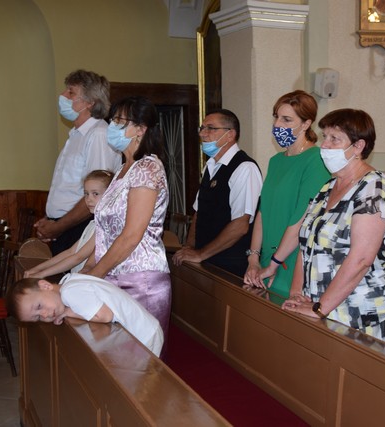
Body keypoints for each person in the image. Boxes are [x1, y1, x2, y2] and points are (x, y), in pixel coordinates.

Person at [282, 109, 385, 348]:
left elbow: (361, 259)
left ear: (358, 146)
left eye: (334, 139)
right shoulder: (327, 188)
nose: (324, 145)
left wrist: (320, 308)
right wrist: (296, 292)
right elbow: (307, 243)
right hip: (323, 306)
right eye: (324, 137)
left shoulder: (373, 188)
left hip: (365, 312)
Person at [85, 96, 171, 336]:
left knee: (140, 354)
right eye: (112, 120)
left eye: (119, 121)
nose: (112, 126)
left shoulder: (146, 168)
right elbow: (106, 232)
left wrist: (95, 274)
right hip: (114, 274)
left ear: (140, 129)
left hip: (139, 281)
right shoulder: (123, 169)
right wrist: (90, 266)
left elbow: (132, 235)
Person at [243, 90, 330, 298]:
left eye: (286, 119)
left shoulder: (316, 160)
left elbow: (301, 219)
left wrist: (275, 263)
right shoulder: (276, 161)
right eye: (276, 117)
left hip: (292, 259)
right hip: (268, 257)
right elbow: (263, 212)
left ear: (306, 124)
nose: (277, 124)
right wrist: (253, 258)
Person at [35, 70, 122, 255]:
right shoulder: (77, 134)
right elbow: (68, 188)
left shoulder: (98, 134)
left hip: (81, 226)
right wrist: (50, 220)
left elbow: (98, 194)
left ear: (90, 102)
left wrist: (58, 226)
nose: (63, 96)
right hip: (66, 226)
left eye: (71, 92)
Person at [171, 109, 263, 277]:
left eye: (211, 128)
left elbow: (240, 225)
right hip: (206, 262)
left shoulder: (244, 168)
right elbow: (199, 212)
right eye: (202, 128)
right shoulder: (210, 166)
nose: (203, 133)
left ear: (230, 135)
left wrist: (200, 254)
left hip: (230, 267)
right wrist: (189, 248)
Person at [6, 274, 164, 357]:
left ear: (45, 285)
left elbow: (105, 316)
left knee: (141, 384)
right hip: (142, 329)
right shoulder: (69, 282)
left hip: (144, 334)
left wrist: (68, 312)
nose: (45, 314)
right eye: (38, 317)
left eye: (39, 306)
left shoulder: (69, 292)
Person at [24, 170, 114, 279]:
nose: (89, 199)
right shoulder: (93, 223)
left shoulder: (105, 226)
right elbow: (70, 252)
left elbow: (79, 257)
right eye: (86, 194)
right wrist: (37, 269)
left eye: (95, 194)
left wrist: (41, 274)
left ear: (111, 194)